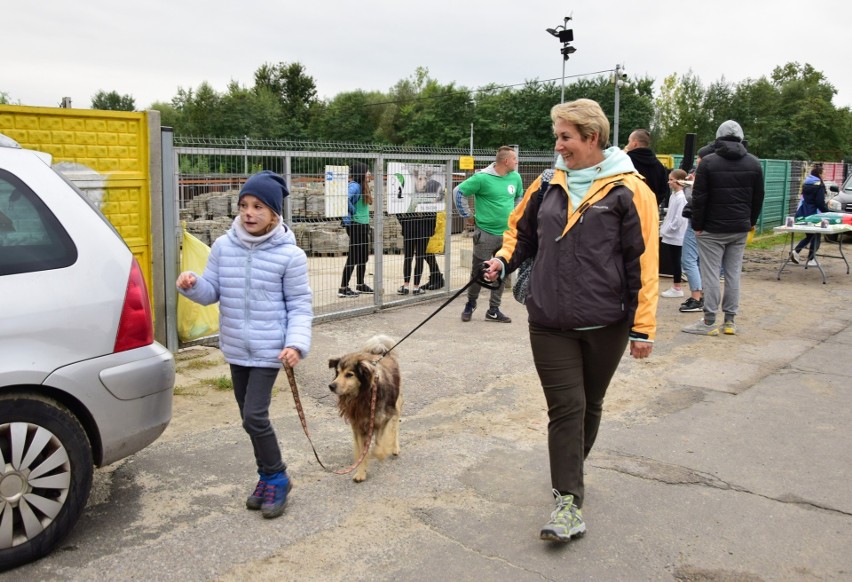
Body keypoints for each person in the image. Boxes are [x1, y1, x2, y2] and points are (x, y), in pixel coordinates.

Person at [482, 98, 659, 543]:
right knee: (567, 408)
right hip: (549, 319)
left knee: (591, 403)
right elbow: (519, 233)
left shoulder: (630, 190)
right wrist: (503, 261)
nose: (558, 146)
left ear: (591, 137)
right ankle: (568, 502)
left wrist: (643, 327)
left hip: (608, 323)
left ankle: (570, 472)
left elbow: (644, 262)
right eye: (557, 136)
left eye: (565, 137)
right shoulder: (546, 184)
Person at [176, 170, 313, 519]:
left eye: (258, 207)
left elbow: (299, 305)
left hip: (270, 350)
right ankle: (266, 477)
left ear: (274, 214)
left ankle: (278, 476)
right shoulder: (224, 246)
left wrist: (296, 344)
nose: (248, 213)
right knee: (247, 418)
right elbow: (212, 292)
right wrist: (192, 285)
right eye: (243, 206)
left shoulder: (290, 256)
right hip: (236, 347)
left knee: (254, 416)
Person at [682, 120, 764, 336]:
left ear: (718, 138)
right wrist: (751, 221)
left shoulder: (708, 163)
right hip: (739, 228)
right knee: (732, 274)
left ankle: (709, 321)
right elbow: (758, 198)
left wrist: (697, 226)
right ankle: (729, 321)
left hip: (711, 230)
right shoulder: (754, 164)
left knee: (709, 274)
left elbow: (699, 198)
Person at [454, 146, 523, 322]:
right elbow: (458, 192)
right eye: (514, 159)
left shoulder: (515, 177)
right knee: (479, 272)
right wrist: (467, 215)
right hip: (485, 234)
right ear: (506, 161)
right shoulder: (482, 178)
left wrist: (516, 215)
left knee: (502, 272)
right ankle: (470, 303)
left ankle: (494, 309)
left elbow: (519, 197)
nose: (517, 162)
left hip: (507, 235)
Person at [396, 164, 445, 294]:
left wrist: (430, 229)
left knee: (418, 257)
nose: (423, 183)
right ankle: (408, 285)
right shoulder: (407, 196)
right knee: (409, 257)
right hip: (412, 229)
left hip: (420, 230)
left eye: (425, 179)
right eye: (420, 179)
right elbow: (398, 210)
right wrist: (405, 223)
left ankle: (414, 286)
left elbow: (433, 212)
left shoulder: (431, 196)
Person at [678, 144, 714, 313]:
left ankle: (696, 297)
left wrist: (687, 186)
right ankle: (703, 294)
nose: (697, 160)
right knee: (700, 261)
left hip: (696, 222)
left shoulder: (703, 174)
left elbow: (693, 199)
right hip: (709, 223)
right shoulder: (717, 173)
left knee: (688, 259)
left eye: (699, 157)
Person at [338, 162, 373, 297]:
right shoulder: (355, 186)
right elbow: (344, 199)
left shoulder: (363, 186)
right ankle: (343, 287)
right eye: (367, 171)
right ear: (361, 173)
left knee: (363, 256)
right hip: (356, 225)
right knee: (353, 256)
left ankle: (360, 284)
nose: (369, 174)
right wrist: (353, 211)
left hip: (363, 225)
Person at [790, 163, 828, 266]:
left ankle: (796, 252)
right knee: (816, 236)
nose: (825, 175)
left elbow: (804, 200)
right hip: (814, 214)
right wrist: (827, 212)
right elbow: (819, 202)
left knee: (810, 235)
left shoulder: (806, 184)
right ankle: (810, 259)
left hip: (803, 212)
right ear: (819, 174)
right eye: (824, 173)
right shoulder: (819, 185)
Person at [660, 169, 689, 298]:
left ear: (679, 181)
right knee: (674, 260)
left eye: (671, 179)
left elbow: (679, 218)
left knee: (676, 260)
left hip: (676, 235)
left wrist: (668, 229)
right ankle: (676, 285)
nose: (669, 182)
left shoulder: (681, 197)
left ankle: (677, 287)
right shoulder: (674, 196)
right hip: (671, 234)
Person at [624, 129, 670, 207]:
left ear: (635, 144)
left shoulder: (626, 161)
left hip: (630, 212)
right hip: (651, 211)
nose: (628, 145)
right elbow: (664, 189)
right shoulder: (659, 166)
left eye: (629, 141)